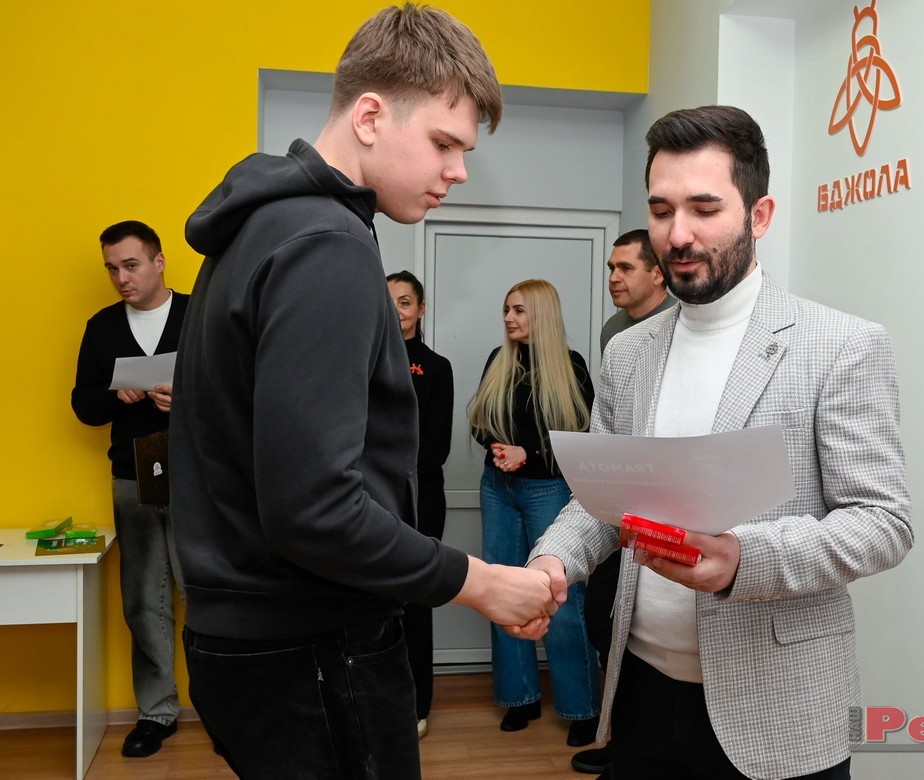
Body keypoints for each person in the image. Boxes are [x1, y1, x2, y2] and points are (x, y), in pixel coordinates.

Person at [169, 6, 556, 779]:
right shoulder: (327, 244)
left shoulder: (266, 228)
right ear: (371, 117)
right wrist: (481, 583)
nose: (458, 171)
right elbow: (315, 509)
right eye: (444, 143)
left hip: (252, 638)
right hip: (310, 643)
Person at [529, 105, 913, 780]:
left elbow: (882, 523)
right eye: (662, 210)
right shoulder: (627, 352)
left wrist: (744, 560)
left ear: (759, 216)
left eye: (704, 209)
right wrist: (552, 562)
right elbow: (602, 498)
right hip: (641, 695)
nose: (678, 234)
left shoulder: (842, 346)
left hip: (780, 711)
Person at [71, 220, 188, 758]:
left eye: (131, 265)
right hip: (132, 474)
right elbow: (82, 404)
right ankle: (156, 713)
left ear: (159, 262)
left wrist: (185, 398)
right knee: (143, 599)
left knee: (207, 593)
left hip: (197, 476)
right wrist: (115, 397)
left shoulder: (199, 315)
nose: (121, 278)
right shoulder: (101, 327)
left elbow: (240, 389)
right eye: (112, 268)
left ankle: (225, 706)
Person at [468, 279, 601, 747]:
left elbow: (582, 441)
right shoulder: (498, 360)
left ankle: (582, 707)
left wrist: (531, 455)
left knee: (560, 598)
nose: (509, 318)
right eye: (507, 309)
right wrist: (497, 448)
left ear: (541, 314)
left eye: (519, 310)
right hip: (497, 488)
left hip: (549, 489)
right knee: (501, 590)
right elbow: (481, 422)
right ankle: (519, 697)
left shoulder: (571, 367)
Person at [573, 228, 675, 777]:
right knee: (601, 617)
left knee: (630, 623)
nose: (613, 277)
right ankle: (619, 739)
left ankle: (624, 742)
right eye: (610, 267)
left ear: (658, 274)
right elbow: (610, 428)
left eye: (625, 268)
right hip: (618, 503)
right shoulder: (616, 333)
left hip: (663, 507)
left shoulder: (679, 326)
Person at [386, 270, 454, 740]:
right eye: (388, 301)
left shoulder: (435, 367)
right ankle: (380, 702)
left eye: (405, 302)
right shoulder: (362, 359)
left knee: (415, 603)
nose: (396, 311)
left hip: (421, 501)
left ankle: (416, 705)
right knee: (373, 604)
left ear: (421, 309)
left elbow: (436, 449)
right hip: (370, 502)